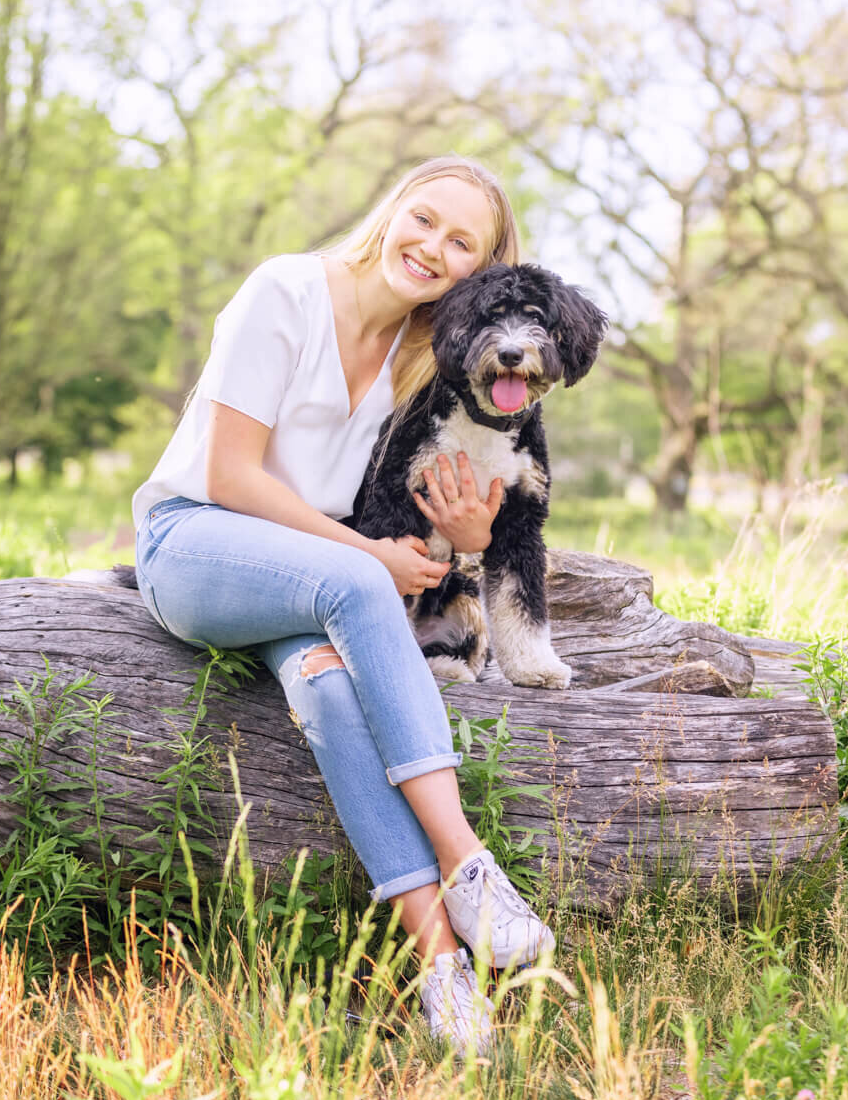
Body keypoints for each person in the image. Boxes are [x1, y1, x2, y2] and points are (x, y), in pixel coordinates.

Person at [130, 156, 555, 1054]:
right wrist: (366, 558)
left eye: (461, 242)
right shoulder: (282, 291)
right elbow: (229, 474)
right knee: (361, 581)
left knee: (329, 691)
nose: (432, 247)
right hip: (197, 543)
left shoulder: (424, 360)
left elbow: (451, 510)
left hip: (310, 575)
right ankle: (467, 862)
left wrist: (470, 537)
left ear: (476, 269)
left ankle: (444, 971)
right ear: (392, 209)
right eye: (424, 219)